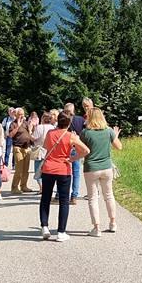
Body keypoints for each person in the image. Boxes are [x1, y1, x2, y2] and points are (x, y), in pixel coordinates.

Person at [39, 111, 90, 242]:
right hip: (63, 169)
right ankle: (61, 232)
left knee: (45, 198)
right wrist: (73, 158)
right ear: (69, 123)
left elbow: (45, 146)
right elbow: (86, 150)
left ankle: (44, 226)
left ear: (58, 121)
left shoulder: (50, 133)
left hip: (48, 168)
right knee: (64, 201)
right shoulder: (71, 136)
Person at [81, 108, 122, 236]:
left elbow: (81, 150)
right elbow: (119, 147)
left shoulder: (85, 133)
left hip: (91, 168)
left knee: (93, 198)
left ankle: (96, 228)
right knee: (109, 195)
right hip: (106, 167)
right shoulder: (108, 131)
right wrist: (115, 135)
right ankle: (113, 223)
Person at [59, 102, 86, 205]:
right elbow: (84, 132)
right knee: (76, 173)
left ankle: (60, 194)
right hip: (76, 147)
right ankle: (74, 196)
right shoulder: (80, 120)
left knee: (62, 172)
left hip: (65, 148)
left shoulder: (62, 119)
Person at [9, 108, 36, 193]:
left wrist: (32, 128)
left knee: (25, 169)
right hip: (18, 148)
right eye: (20, 114)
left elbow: (30, 133)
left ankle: (24, 186)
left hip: (26, 148)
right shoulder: (13, 124)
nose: (22, 116)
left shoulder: (26, 123)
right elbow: (10, 135)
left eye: (23, 114)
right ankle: (14, 187)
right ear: (16, 115)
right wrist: (18, 126)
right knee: (19, 169)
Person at [31, 111, 56, 191]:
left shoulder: (40, 127)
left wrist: (30, 130)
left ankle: (42, 187)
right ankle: (47, 186)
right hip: (50, 151)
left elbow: (33, 138)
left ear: (43, 118)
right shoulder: (53, 128)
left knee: (38, 170)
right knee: (48, 170)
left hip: (40, 150)